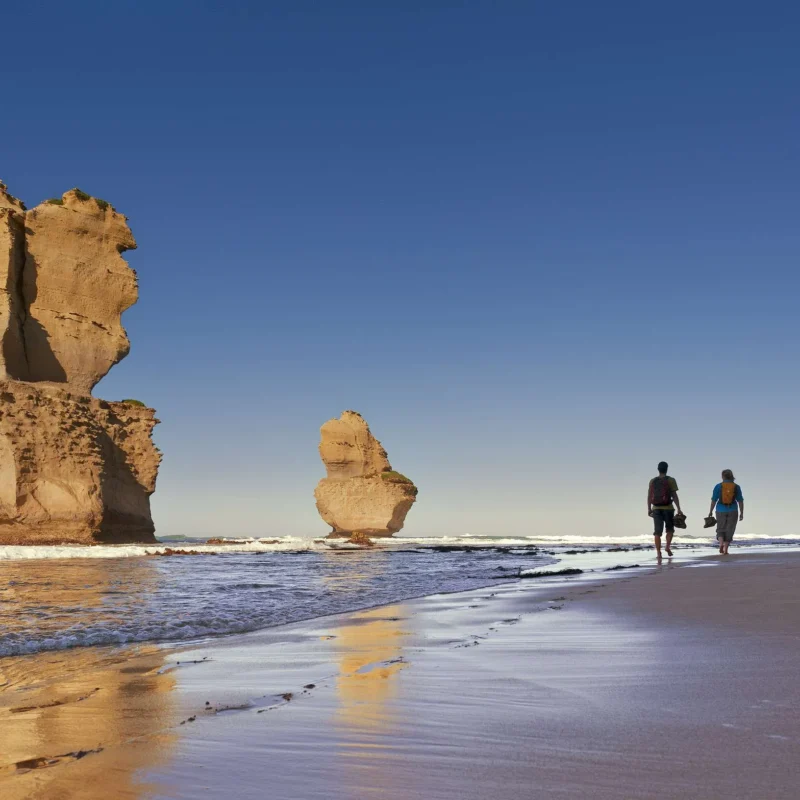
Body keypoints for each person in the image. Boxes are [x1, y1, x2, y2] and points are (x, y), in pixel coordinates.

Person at [647, 461, 682, 560]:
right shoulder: (671, 480)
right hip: (668, 508)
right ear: (667, 469)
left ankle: (658, 553)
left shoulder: (652, 481)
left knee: (657, 532)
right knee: (670, 529)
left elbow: (649, 496)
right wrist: (679, 508)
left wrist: (649, 509)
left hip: (656, 508)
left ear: (658, 469)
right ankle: (667, 546)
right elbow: (674, 495)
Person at [709, 469, 744, 555]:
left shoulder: (718, 486)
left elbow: (714, 500)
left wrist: (710, 511)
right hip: (733, 510)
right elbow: (740, 500)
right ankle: (725, 550)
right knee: (730, 529)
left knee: (720, 528)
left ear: (722, 476)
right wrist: (741, 513)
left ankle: (721, 544)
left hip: (720, 509)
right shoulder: (736, 487)